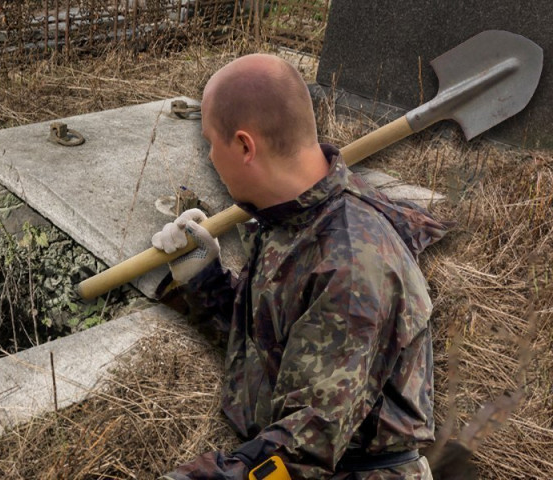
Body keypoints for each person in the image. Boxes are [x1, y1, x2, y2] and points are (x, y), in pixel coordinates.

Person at [150, 54, 449, 479]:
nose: (210, 157)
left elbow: (301, 448)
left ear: (244, 146)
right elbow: (272, 342)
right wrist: (203, 279)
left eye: (210, 143)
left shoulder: (352, 262)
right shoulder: (291, 218)